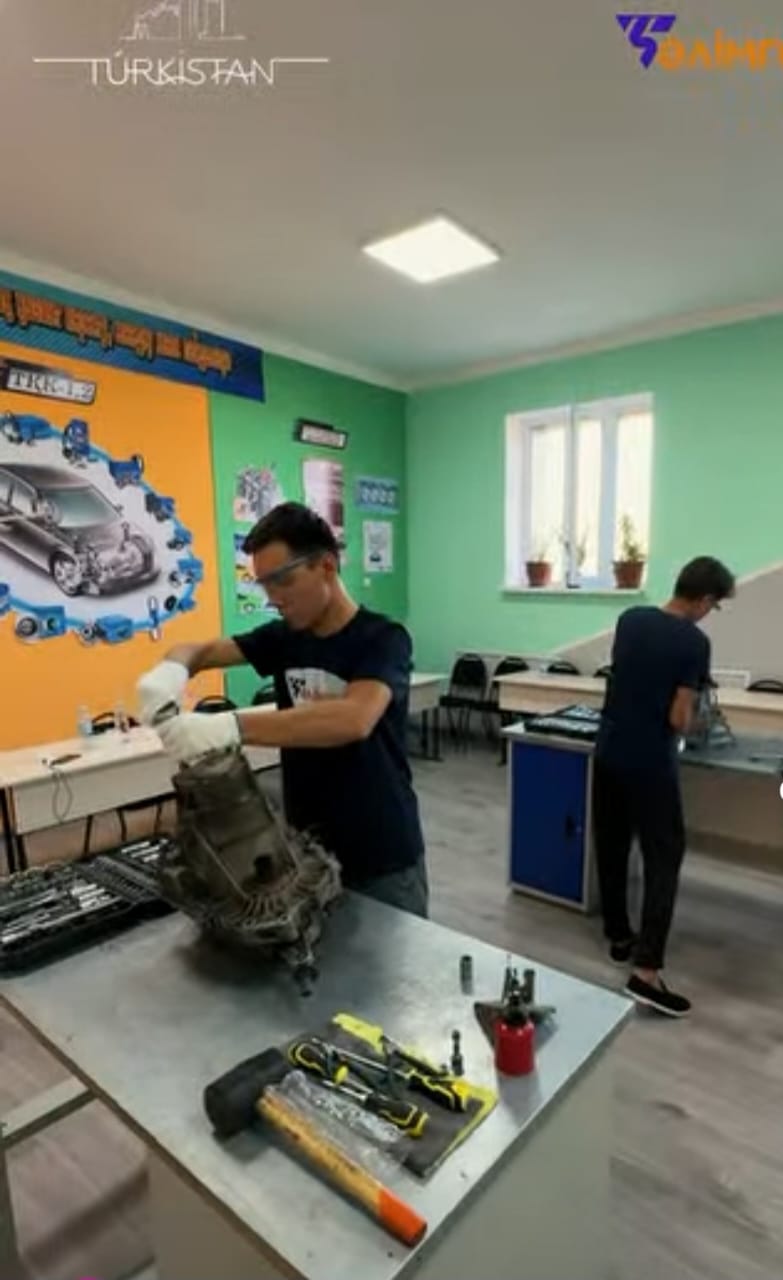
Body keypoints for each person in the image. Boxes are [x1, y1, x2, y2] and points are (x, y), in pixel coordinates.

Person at [135, 503, 428, 918]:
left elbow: (354, 718)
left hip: (381, 853)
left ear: (326, 566)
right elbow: (198, 651)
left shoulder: (383, 639)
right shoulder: (285, 637)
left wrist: (229, 727)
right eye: (264, 585)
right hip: (306, 852)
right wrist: (168, 674)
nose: (273, 598)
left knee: (394, 959)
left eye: (283, 580)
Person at [592, 555, 736, 1017]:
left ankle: (619, 935)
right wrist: (699, 722)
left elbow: (629, 681)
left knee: (613, 844)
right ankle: (646, 973)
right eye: (714, 605)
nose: (710, 613)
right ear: (706, 599)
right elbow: (677, 717)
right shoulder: (694, 642)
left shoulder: (630, 618)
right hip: (650, 762)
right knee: (664, 856)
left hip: (609, 750)